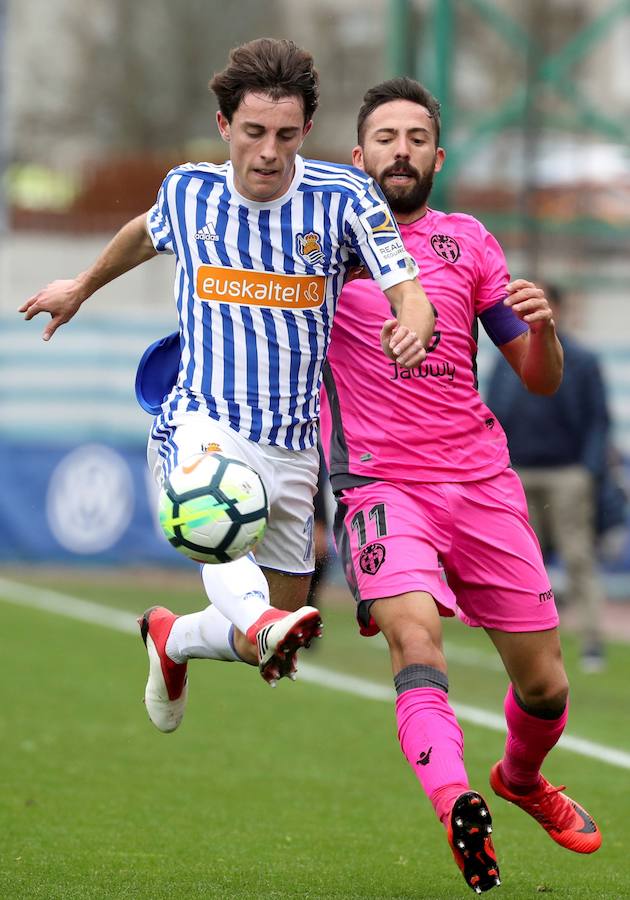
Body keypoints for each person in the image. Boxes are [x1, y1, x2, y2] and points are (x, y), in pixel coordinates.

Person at [19, 40, 435, 734]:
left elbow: (408, 289)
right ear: (225, 128)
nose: (269, 151)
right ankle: (263, 618)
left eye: (285, 134)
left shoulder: (344, 200)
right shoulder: (190, 192)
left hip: (294, 447)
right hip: (200, 419)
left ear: (305, 132)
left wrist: (413, 325)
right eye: (253, 132)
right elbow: (143, 234)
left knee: (255, 643)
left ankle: (172, 638)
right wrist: (81, 288)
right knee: (219, 531)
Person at [318, 78, 602, 894]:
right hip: (379, 486)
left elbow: (538, 379)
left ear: (437, 158)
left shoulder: (470, 242)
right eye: (384, 137)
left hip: (481, 482)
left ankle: (519, 779)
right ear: (357, 156)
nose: (399, 150)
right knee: (416, 643)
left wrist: (542, 328)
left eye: (415, 138)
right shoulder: (323, 247)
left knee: (545, 687)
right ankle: (456, 805)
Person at [487, 283, 611, 672]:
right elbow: (492, 413)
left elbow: (598, 421)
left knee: (578, 557)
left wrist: (586, 472)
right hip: (519, 473)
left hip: (566, 473)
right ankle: (527, 645)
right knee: (522, 565)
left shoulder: (583, 359)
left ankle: (591, 641)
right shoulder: (507, 358)